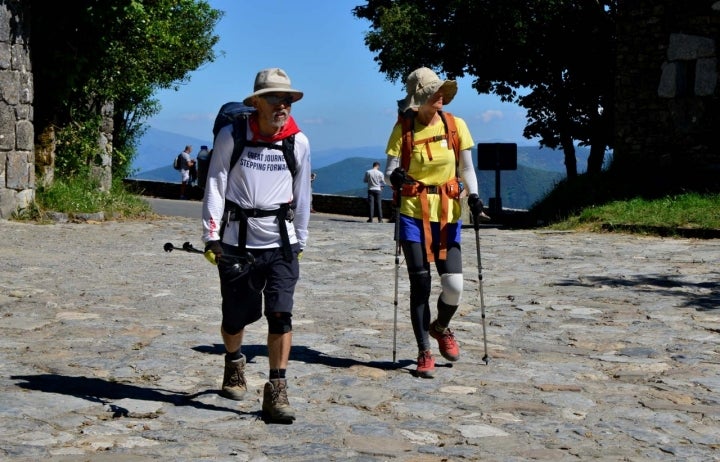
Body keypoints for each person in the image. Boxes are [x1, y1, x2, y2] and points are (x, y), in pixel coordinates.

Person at [202, 68, 311, 422]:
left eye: (288, 99)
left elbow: (302, 195)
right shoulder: (232, 136)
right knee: (235, 319)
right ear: (257, 103)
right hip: (237, 243)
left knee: (281, 314)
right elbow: (216, 184)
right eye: (276, 98)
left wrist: (301, 240)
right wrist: (211, 236)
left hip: (281, 242)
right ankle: (234, 361)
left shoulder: (298, 141)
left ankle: (276, 390)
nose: (283, 105)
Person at [384, 67, 488, 378]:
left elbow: (466, 167)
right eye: (433, 92)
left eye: (440, 91)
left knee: (454, 287)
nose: (440, 96)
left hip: (448, 216)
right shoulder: (403, 128)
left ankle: (440, 327)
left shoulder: (456, 126)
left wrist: (475, 195)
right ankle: (423, 351)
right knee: (421, 283)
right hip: (414, 212)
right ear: (421, 99)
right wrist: (396, 176)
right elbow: (391, 167)